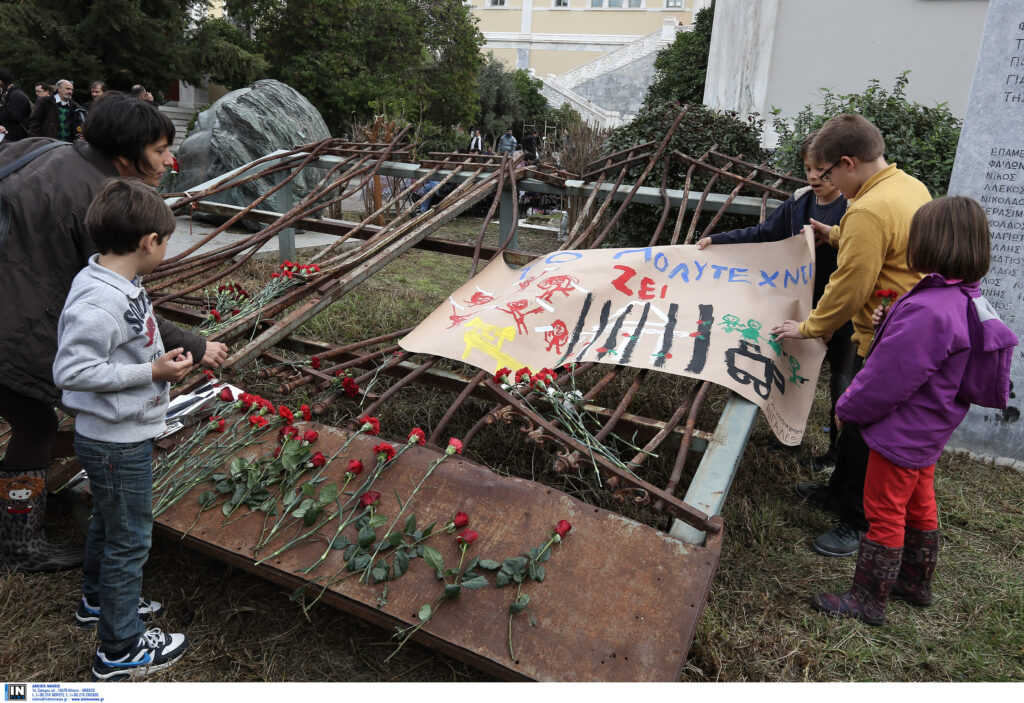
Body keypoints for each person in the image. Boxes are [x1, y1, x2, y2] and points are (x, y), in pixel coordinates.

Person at [0, 91, 229, 573]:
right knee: (35, 424)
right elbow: (125, 302)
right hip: (12, 320)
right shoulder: (99, 201)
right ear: (125, 155)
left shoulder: (42, 148)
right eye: (159, 151)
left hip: (14, 296)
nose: (170, 161)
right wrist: (195, 344)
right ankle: (21, 545)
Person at [812, 196, 1017, 626]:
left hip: (899, 431)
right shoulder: (963, 297)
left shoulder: (929, 309)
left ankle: (867, 599)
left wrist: (848, 408)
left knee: (884, 510)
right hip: (931, 428)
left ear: (931, 244)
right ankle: (915, 582)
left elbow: (889, 377)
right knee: (920, 502)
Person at [771, 114, 932, 557]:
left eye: (826, 175)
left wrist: (809, 328)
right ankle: (838, 493)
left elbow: (849, 287)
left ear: (847, 162)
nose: (827, 185)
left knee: (865, 431)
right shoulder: (907, 187)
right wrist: (836, 231)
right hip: (908, 330)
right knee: (855, 418)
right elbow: (883, 241)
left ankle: (856, 521)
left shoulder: (868, 209)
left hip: (886, 339)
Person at [54, 178, 192, 679]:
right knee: (129, 540)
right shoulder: (99, 301)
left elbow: (125, 346)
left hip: (119, 434)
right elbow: (72, 371)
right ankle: (119, 649)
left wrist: (159, 360)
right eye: (166, 240)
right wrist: (150, 373)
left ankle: (97, 602)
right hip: (117, 442)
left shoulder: (119, 285)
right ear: (149, 242)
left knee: (110, 525)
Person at [698, 131, 856, 473]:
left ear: (841, 167)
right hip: (799, 311)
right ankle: (788, 435)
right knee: (791, 373)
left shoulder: (854, 208)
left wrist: (833, 320)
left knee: (842, 382)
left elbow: (858, 265)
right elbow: (763, 234)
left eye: (821, 170)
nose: (813, 176)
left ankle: (837, 455)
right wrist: (719, 240)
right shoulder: (799, 202)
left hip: (843, 312)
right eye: (808, 169)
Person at [0, 69, 32, 142]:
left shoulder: (15, 95)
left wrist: (1, 110)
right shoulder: (14, 93)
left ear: (1, 81)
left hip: (16, 138)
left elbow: (14, 117)